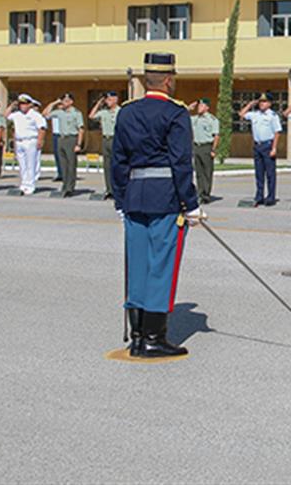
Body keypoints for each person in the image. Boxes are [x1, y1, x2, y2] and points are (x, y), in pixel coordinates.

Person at [112, 52, 201, 358]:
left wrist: (122, 198)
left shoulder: (126, 112)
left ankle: (137, 336)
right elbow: (180, 162)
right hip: (165, 198)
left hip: (135, 197)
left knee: (137, 265)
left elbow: (118, 161)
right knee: (161, 266)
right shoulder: (175, 113)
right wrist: (191, 204)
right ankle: (153, 337)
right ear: (168, 80)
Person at [240, 93, 282, 206]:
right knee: (259, 173)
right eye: (260, 102)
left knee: (270, 174)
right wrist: (250, 104)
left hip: (267, 145)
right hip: (257, 146)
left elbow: (277, 132)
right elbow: (242, 114)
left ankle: (271, 197)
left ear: (269, 103)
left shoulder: (273, 116)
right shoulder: (255, 114)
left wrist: (274, 148)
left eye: (264, 102)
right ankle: (259, 196)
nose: (261, 104)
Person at [43, 93, 85, 198]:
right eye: (63, 101)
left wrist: (78, 144)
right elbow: (44, 114)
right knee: (63, 164)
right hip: (61, 139)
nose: (64, 103)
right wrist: (54, 102)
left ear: (71, 102)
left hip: (71, 139)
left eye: (66, 101)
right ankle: (64, 185)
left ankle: (70, 187)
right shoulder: (59, 112)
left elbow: (81, 129)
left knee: (71, 164)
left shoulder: (76, 113)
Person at [5, 94, 47, 195]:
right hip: (19, 141)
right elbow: (5, 115)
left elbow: (42, 128)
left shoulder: (35, 115)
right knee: (22, 164)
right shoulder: (17, 114)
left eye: (24, 104)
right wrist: (12, 106)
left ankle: (30, 185)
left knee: (30, 164)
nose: (22, 106)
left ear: (30, 105)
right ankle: (24, 184)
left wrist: (40, 141)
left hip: (31, 141)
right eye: (21, 104)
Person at [187, 98, 220, 206]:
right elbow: (182, 117)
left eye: (201, 106)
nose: (198, 108)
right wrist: (188, 108)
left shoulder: (212, 120)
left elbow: (216, 136)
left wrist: (213, 150)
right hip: (197, 146)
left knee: (207, 172)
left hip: (207, 147)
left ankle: (206, 195)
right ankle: (200, 193)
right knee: (199, 173)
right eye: (198, 106)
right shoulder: (195, 119)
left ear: (207, 107)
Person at [89, 91, 120, 200]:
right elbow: (91, 116)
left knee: (116, 165)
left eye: (110, 99)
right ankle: (109, 189)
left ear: (115, 100)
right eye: (106, 100)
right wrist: (99, 103)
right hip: (105, 140)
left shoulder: (120, 112)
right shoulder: (104, 112)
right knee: (107, 166)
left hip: (116, 140)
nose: (107, 102)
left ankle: (117, 189)